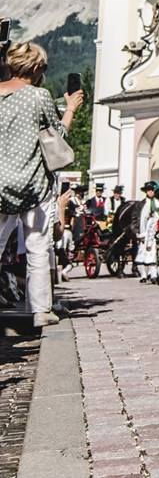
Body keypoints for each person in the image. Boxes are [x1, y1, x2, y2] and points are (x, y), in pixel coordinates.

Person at [0, 42, 84, 326]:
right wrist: (70, 108)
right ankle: (41, 311)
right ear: (36, 68)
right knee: (37, 247)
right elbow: (58, 134)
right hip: (32, 184)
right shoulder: (39, 96)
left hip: (0, 183)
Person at [135, 181, 159, 283]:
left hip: (153, 232)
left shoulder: (158, 203)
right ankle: (143, 274)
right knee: (142, 252)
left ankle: (153, 274)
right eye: (148, 190)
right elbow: (135, 219)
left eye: (152, 190)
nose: (150, 192)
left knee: (153, 253)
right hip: (143, 231)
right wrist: (137, 232)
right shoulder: (141, 204)